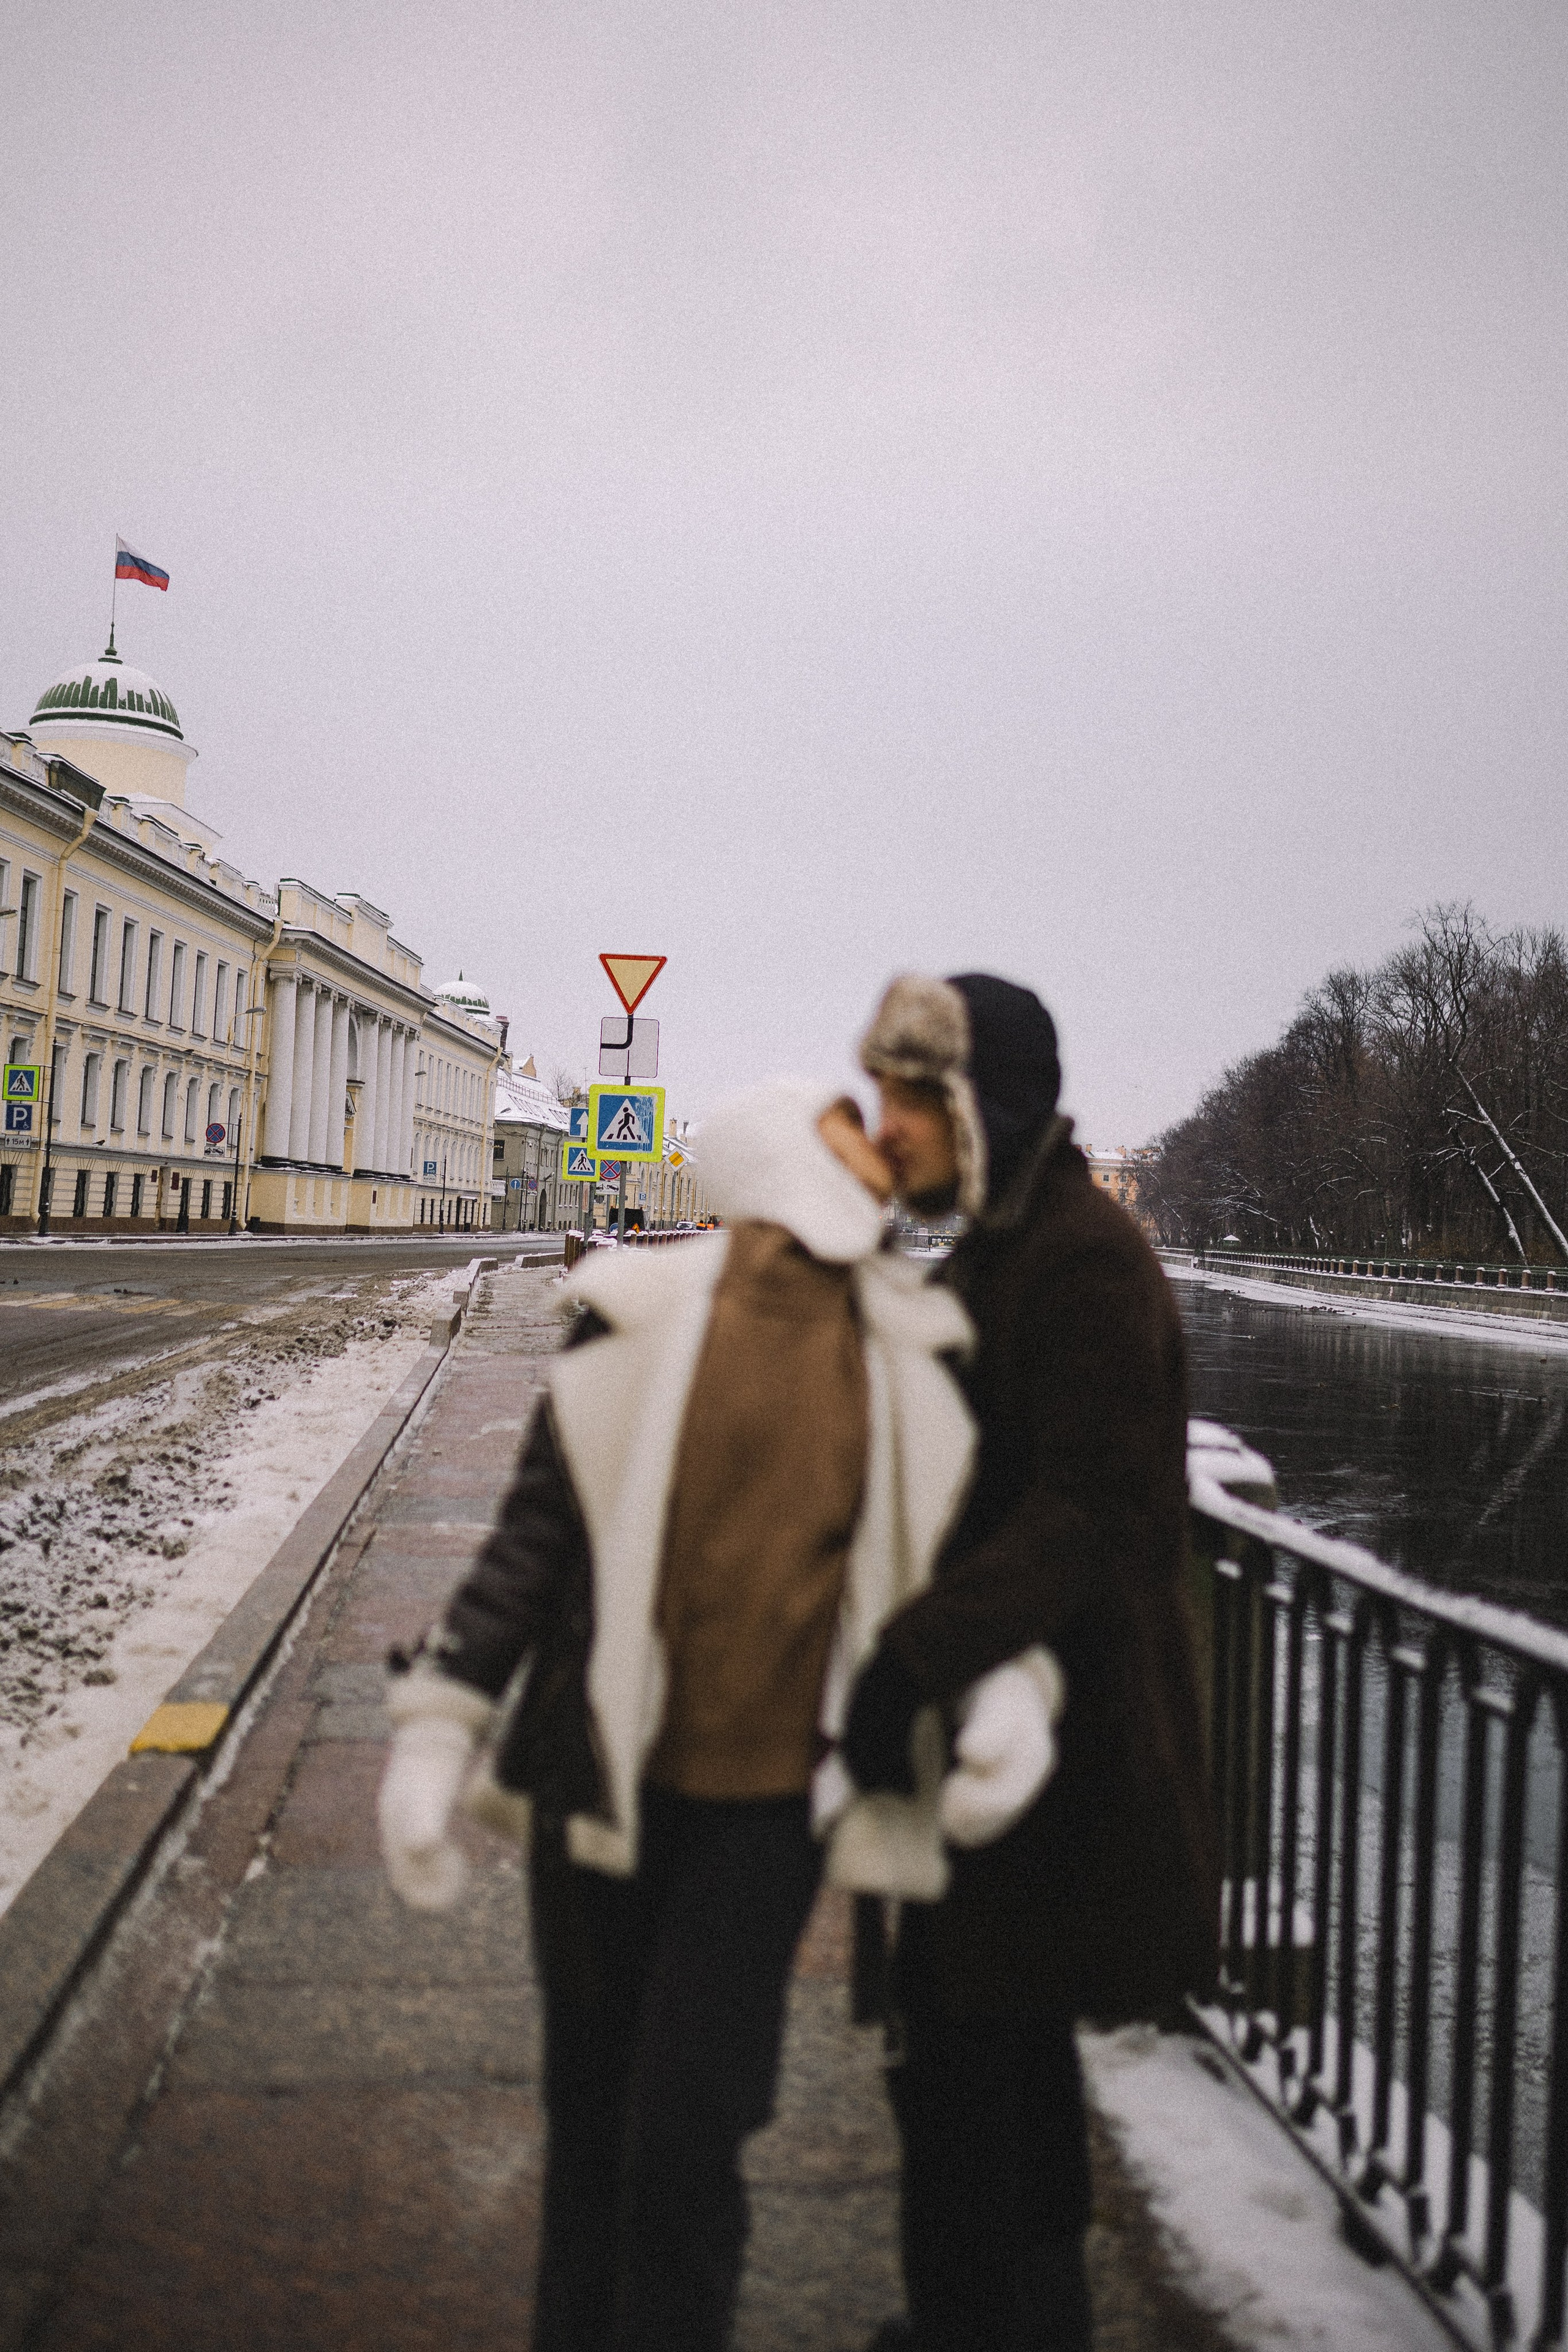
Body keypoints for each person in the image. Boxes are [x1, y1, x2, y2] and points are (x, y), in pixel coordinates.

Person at [377, 1079, 1017, 2352]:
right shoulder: (637, 1316)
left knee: (687, 2138)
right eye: (844, 1133)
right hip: (597, 1777)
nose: (877, 1153)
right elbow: (533, 1542)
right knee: (590, 2128)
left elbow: (950, 1558)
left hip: (765, 1813)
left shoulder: (905, 1347)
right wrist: (437, 1727)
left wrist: (1003, 1699)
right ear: (772, 1163)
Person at [845, 972, 1219, 2352]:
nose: (884, 1125)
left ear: (975, 1106)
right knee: (978, 2080)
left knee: (980, 2094)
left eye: (906, 1095)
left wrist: (908, 1662)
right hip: (1010, 1753)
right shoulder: (1005, 1245)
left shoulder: (1074, 1263)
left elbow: (1086, 1511)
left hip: (1057, 1766)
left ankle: (993, 2328)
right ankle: (965, 2323)